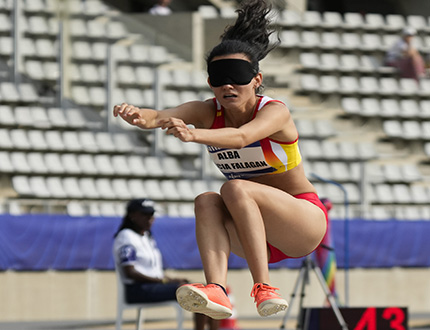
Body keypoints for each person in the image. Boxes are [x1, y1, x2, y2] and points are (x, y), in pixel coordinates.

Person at [113, 0, 328, 320]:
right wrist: (136, 115)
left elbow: (243, 138)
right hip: (251, 231)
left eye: (238, 75)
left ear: (256, 79)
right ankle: (218, 288)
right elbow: (158, 117)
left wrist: (194, 135)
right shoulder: (206, 111)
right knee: (206, 200)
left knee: (235, 188)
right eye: (219, 76)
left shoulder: (274, 111)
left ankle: (264, 287)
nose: (228, 84)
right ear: (210, 81)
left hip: (300, 222)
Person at [113, 198, 219, 330]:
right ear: (132, 215)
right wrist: (163, 281)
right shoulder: (126, 237)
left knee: (206, 290)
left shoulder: (146, 236)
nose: (150, 219)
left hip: (152, 285)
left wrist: (170, 279)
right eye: (145, 214)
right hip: (137, 289)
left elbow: (153, 271)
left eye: (152, 215)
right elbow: (130, 272)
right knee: (196, 292)